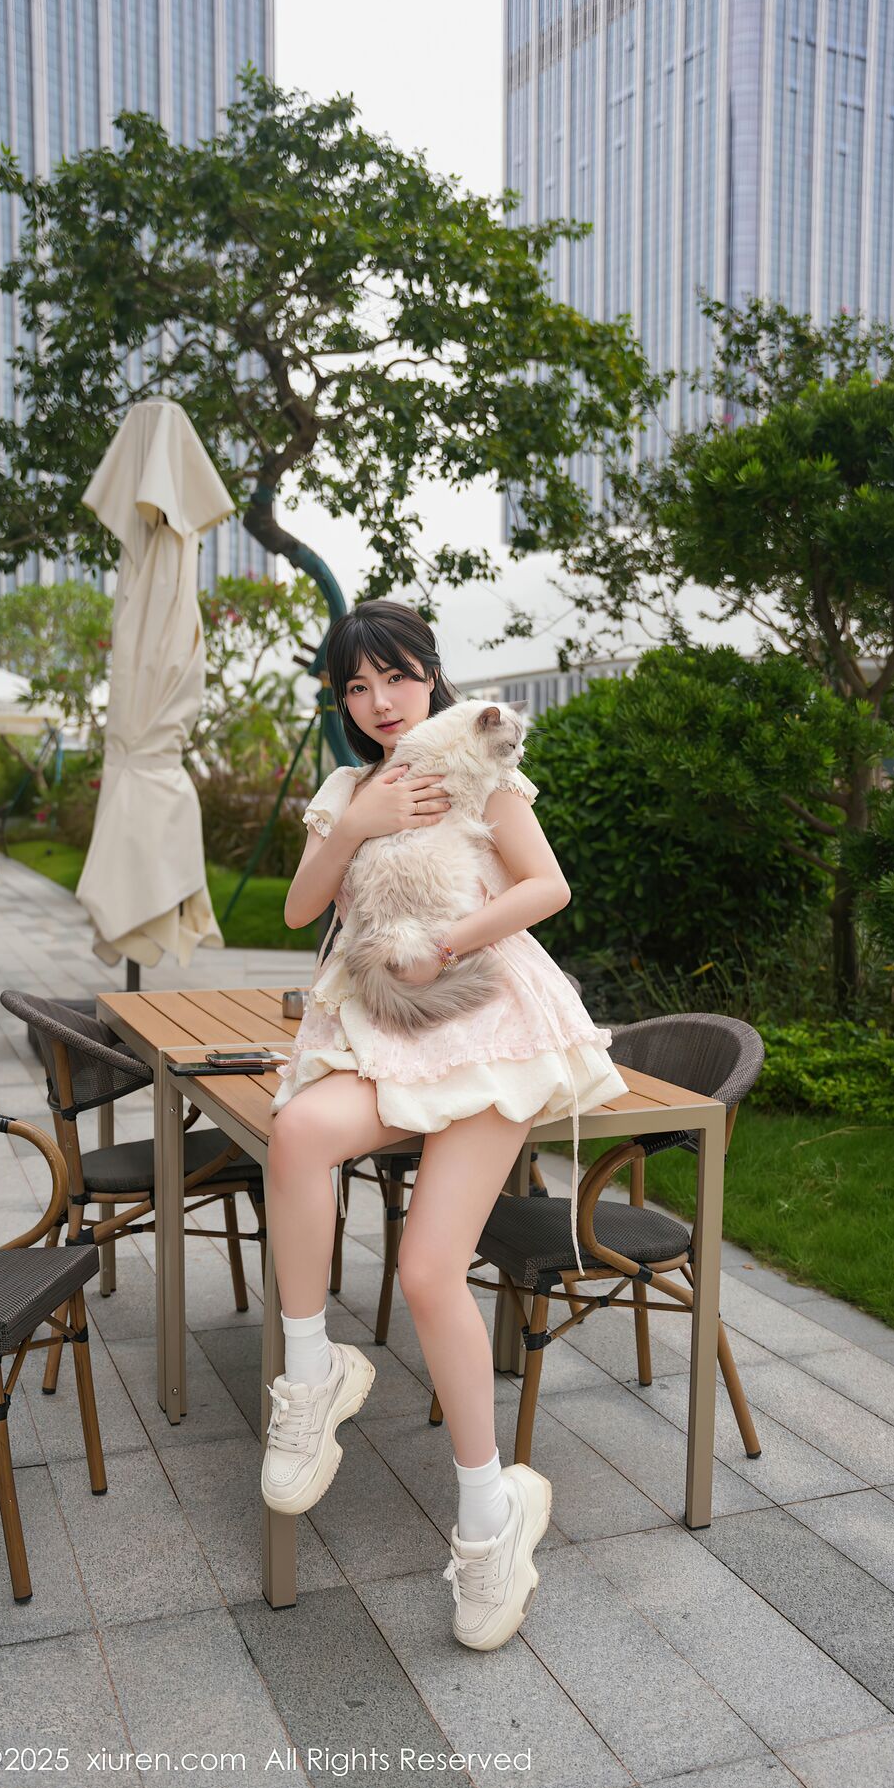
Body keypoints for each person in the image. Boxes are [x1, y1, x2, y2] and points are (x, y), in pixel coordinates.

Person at [262, 600, 628, 1652]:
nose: (380, 702)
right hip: (386, 1024)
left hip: (487, 1020)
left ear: (430, 673)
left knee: (429, 1272)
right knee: (298, 1133)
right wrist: (359, 822)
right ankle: (311, 1373)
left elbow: (547, 885)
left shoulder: (478, 767)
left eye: (396, 677)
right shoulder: (348, 791)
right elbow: (297, 910)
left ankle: (489, 1516)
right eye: (357, 687)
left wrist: (448, 942)